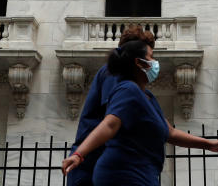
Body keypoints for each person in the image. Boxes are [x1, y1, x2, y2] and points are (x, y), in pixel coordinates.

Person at [62, 38, 218, 186]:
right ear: (139, 63)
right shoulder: (127, 89)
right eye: (151, 57)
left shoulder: (148, 97)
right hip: (123, 173)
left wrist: (209, 145)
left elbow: (170, 132)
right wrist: (79, 154)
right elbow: (110, 124)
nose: (155, 62)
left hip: (144, 174)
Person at [66, 25, 157, 186]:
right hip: (91, 170)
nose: (154, 62)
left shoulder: (139, 89)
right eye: (149, 56)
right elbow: (113, 121)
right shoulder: (114, 74)